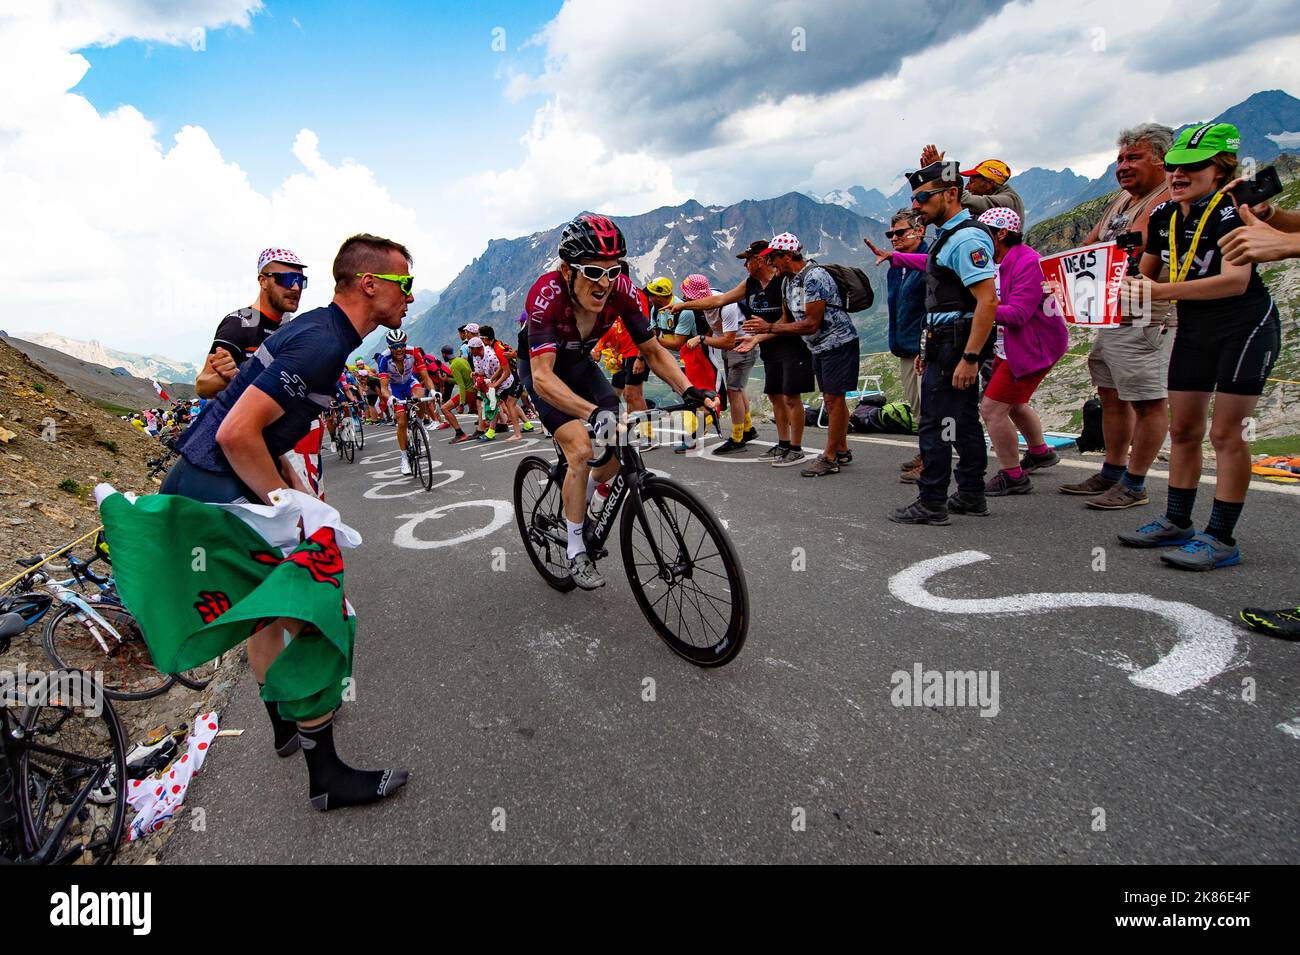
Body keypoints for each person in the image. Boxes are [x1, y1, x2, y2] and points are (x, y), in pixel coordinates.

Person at [163, 232, 413, 810]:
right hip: (217, 485)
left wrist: (301, 493)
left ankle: (284, 728)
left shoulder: (322, 331)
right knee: (318, 612)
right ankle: (325, 775)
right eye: (404, 284)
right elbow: (234, 431)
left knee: (271, 615)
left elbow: (261, 423)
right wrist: (287, 507)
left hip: (204, 482)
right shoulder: (322, 343)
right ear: (369, 284)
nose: (410, 297)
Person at [518, 214, 717, 588]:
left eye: (614, 270)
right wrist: (592, 414)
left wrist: (688, 390)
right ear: (566, 270)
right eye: (593, 271)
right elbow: (543, 378)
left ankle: (587, 498)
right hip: (542, 369)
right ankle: (575, 550)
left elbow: (654, 351)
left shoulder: (623, 291)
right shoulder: (546, 294)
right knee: (579, 449)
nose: (605, 283)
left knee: (617, 443)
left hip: (578, 364)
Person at [1118, 123, 1280, 570]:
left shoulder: (1232, 210)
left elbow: (1235, 281)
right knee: (1184, 430)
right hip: (1193, 327)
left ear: (1221, 168)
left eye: (1193, 167)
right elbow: (1145, 278)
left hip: (1245, 326)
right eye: (1173, 167)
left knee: (1226, 434)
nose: (1178, 175)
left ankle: (1222, 536)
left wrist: (1159, 293)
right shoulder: (1166, 214)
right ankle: (1177, 519)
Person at [1060, 124, 1176, 509]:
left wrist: (1104, 256)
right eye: (1120, 159)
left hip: (1146, 315)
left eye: (1134, 157)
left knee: (1146, 400)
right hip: (1112, 314)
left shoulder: (1164, 200)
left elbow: (1134, 249)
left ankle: (1135, 483)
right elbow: (1091, 244)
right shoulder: (1121, 202)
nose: (1123, 166)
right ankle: (1112, 471)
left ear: (1161, 160)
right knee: (1110, 395)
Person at [881, 161, 998, 524]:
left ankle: (932, 500)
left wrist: (971, 356)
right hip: (942, 341)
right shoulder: (950, 235)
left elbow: (987, 301)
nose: (917, 206)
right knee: (962, 420)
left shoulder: (965, 238)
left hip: (955, 343)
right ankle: (970, 494)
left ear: (950, 194)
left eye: (923, 197)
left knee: (935, 422)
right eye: (915, 199)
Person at [668, 241, 811, 466]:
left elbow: (788, 318)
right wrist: (683, 306)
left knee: (791, 397)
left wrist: (765, 331)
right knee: (775, 396)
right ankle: (783, 443)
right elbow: (720, 298)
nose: (745, 264)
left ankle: (795, 447)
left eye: (748, 259)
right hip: (766, 344)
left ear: (761, 260)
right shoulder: (751, 283)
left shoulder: (783, 281)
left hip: (790, 343)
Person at [741, 232, 859, 476]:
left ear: (787, 255)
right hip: (818, 346)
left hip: (838, 343)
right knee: (831, 399)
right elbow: (787, 319)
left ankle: (829, 456)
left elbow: (810, 323)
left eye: (773, 257)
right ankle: (842, 449)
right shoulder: (787, 281)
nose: (771, 262)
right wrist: (759, 335)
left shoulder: (814, 276)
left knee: (834, 400)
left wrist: (770, 327)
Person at [867, 211, 928, 481]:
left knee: (930, 405)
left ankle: (934, 458)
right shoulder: (895, 267)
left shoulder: (930, 260)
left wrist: (926, 344)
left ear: (920, 231)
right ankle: (928, 451)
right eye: (891, 234)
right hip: (904, 345)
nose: (894, 239)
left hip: (925, 346)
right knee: (917, 406)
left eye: (900, 233)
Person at [678, 273, 757, 455]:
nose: (685, 298)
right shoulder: (709, 298)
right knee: (737, 388)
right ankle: (748, 428)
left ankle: (737, 439)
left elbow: (728, 341)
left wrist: (702, 339)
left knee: (734, 392)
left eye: (688, 295)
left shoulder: (726, 307)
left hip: (742, 346)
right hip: (733, 348)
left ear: (699, 296)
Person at [376, 328, 437, 474]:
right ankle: (404, 457)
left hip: (409, 381)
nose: (399, 350)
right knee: (402, 421)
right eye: (395, 347)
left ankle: (420, 424)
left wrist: (434, 391)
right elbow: (384, 388)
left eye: (402, 345)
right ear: (390, 347)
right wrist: (390, 398)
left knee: (421, 394)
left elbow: (425, 376)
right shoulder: (384, 359)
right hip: (394, 386)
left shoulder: (414, 352)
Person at [919, 147, 1025, 223]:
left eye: (971, 182)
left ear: (988, 184)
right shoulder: (998, 199)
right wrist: (932, 174)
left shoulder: (1008, 201)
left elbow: (961, 197)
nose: (967, 187)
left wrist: (942, 169)